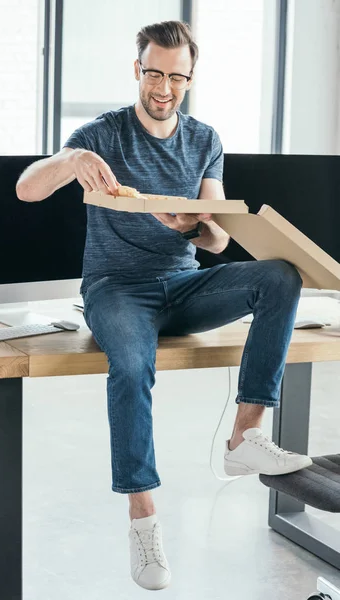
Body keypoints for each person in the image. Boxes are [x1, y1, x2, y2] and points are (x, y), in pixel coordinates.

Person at [16, 20, 312, 591]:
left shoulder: (205, 139)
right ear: (138, 70)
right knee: (129, 366)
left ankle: (244, 439)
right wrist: (70, 160)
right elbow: (27, 187)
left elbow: (220, 238)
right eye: (154, 72)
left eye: (177, 76)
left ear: (190, 79)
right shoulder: (102, 133)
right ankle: (144, 522)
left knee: (279, 276)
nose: (164, 87)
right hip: (116, 289)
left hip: (183, 285)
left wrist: (194, 227)